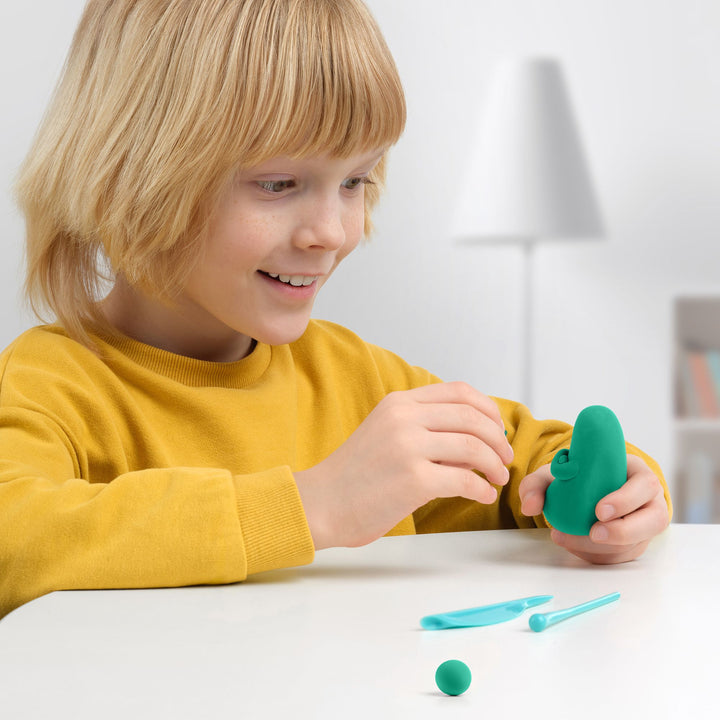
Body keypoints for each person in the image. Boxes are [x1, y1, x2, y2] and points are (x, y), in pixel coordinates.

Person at [1, 0, 671, 620]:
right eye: (278, 183)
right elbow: (16, 539)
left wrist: (613, 501)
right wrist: (312, 505)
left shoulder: (359, 382)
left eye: (354, 181)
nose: (332, 230)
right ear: (133, 172)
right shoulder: (54, 384)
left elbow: (532, 462)